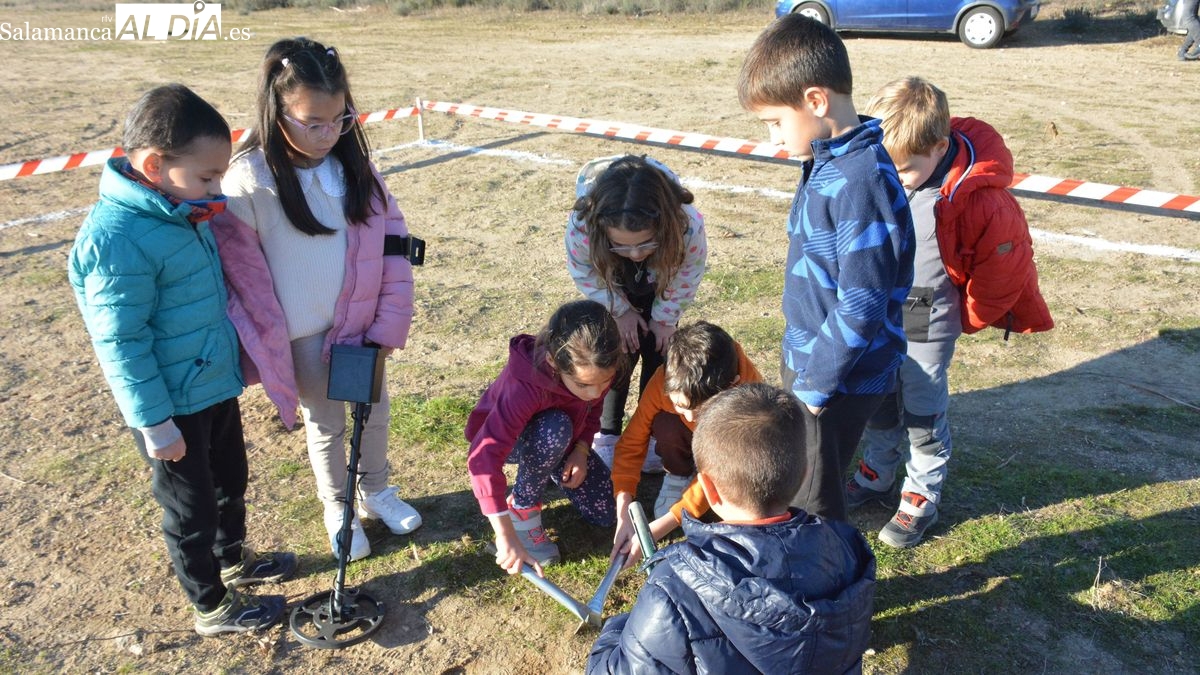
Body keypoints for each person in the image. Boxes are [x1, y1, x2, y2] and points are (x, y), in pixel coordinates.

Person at [68, 84, 296, 637]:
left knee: (229, 479)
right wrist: (154, 423)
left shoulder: (179, 211)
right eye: (207, 177)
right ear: (152, 165)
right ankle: (211, 605)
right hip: (170, 407)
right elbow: (120, 342)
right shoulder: (117, 238)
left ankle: (234, 559)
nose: (217, 188)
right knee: (189, 510)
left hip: (211, 385)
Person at [212, 38, 423, 563]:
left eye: (340, 120)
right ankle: (339, 507)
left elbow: (393, 245)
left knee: (373, 412)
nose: (329, 135)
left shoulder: (355, 170)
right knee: (327, 424)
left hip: (361, 326)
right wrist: (264, 344)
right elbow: (237, 271)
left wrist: (387, 320)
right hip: (303, 334)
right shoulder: (249, 179)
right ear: (276, 109)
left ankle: (377, 492)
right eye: (313, 123)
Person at [845, 77, 1054, 548]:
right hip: (884, 307)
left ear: (939, 148)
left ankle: (921, 491)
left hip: (925, 310)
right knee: (878, 390)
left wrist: (967, 318)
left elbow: (1005, 269)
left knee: (920, 397)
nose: (893, 181)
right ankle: (877, 469)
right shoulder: (892, 164)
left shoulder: (982, 200)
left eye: (904, 172)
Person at [737, 15, 916, 522]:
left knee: (813, 496)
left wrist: (812, 390)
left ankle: (828, 584)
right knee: (802, 479)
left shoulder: (861, 182)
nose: (774, 137)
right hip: (814, 360)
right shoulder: (827, 160)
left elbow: (861, 304)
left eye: (775, 122)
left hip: (839, 378)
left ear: (816, 101)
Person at [587, 383, 876, 674]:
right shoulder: (847, 551)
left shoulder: (672, 591)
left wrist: (618, 627)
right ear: (804, 475)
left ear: (708, 490)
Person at [566, 155, 708, 473]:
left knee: (659, 355)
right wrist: (618, 311)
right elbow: (584, 271)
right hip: (612, 291)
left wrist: (665, 318)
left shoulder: (687, 223)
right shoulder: (583, 223)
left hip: (662, 290)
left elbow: (689, 272)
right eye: (622, 245)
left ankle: (650, 436)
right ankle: (607, 437)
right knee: (615, 358)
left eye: (645, 244)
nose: (634, 254)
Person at [467, 299, 624, 575]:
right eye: (584, 385)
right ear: (553, 361)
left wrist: (582, 449)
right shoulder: (523, 387)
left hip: (562, 438)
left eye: (604, 382)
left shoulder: (598, 369)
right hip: (516, 440)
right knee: (555, 428)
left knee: (605, 512)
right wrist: (505, 535)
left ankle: (548, 464)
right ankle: (523, 510)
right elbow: (483, 459)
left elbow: (592, 409)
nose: (596, 392)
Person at [607, 321, 764, 567]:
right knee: (667, 423)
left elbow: (719, 470)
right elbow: (632, 444)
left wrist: (662, 525)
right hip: (702, 446)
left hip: (735, 454)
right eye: (680, 405)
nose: (689, 418)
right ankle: (678, 473)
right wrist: (623, 512)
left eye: (700, 409)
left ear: (731, 386)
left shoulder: (748, 398)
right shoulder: (664, 380)